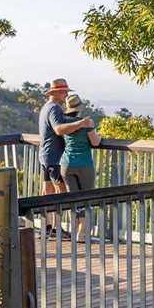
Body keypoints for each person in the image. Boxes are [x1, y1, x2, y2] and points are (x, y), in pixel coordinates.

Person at [38, 78, 93, 237]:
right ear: (57, 93)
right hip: (54, 157)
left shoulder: (45, 107)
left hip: (45, 154)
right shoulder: (54, 109)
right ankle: (56, 228)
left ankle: (46, 227)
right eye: (64, 92)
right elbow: (59, 130)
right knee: (60, 192)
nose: (65, 95)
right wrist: (81, 124)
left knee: (46, 191)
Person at [60, 93, 102, 239]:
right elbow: (95, 142)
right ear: (79, 108)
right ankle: (82, 233)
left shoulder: (64, 123)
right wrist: (99, 136)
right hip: (84, 164)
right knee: (87, 199)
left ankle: (75, 230)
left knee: (73, 199)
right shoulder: (86, 123)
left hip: (66, 164)